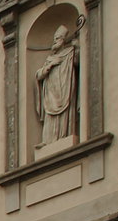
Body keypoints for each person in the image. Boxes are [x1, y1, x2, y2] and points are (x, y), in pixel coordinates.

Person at [34, 16, 85, 145]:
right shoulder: (50, 59)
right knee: (50, 117)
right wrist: (49, 66)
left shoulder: (69, 53)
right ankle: (47, 140)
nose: (54, 42)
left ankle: (64, 136)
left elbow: (78, 62)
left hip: (66, 89)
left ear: (63, 40)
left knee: (65, 115)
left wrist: (77, 47)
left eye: (57, 39)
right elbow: (39, 75)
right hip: (51, 93)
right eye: (54, 39)